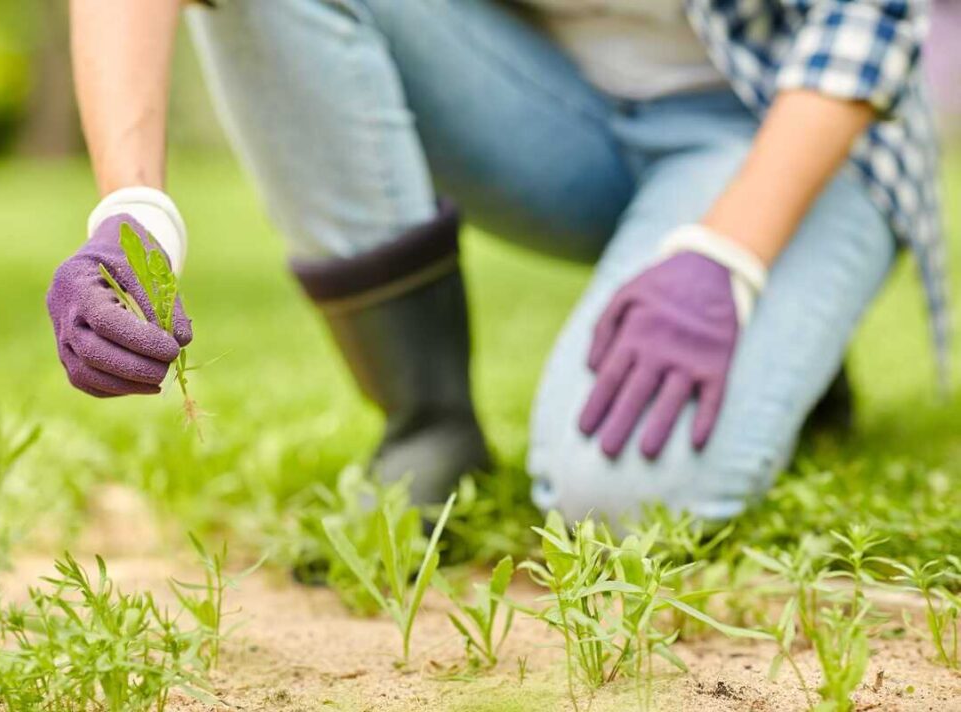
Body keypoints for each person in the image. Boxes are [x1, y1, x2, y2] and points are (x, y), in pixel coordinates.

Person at [47, 0, 943, 526]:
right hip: (553, 97)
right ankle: (428, 426)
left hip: (780, 120)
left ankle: (786, 321)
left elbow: (867, 19)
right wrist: (134, 213)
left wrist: (728, 257)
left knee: (616, 499)